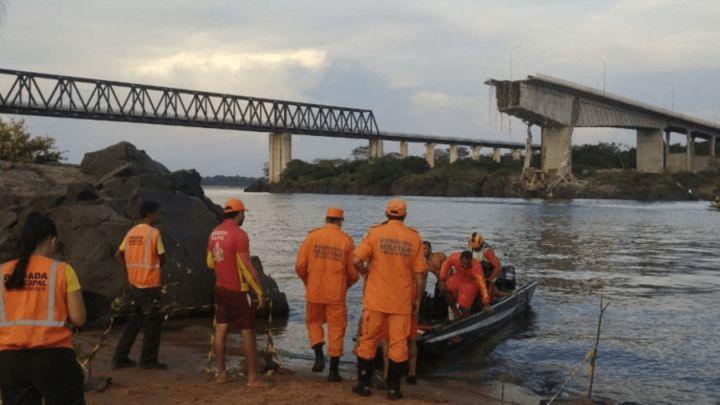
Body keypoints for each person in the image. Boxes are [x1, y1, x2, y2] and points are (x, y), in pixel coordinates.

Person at [0, 213, 87, 405]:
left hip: (10, 361)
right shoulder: (62, 270)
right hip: (54, 357)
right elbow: (79, 318)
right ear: (51, 239)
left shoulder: (2, 272)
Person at [352, 198, 425, 400]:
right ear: (405, 215)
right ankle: (394, 390)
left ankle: (364, 385)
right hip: (401, 302)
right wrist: (417, 299)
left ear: (387, 214)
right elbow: (420, 274)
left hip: (375, 300)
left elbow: (356, 259)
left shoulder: (375, 233)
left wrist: (365, 271)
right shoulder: (414, 238)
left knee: (367, 340)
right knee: (399, 344)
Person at [206, 198, 265, 387]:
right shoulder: (239, 235)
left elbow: (209, 262)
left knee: (221, 329)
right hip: (237, 290)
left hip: (219, 287)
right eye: (243, 213)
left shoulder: (214, 233)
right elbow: (246, 267)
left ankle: (222, 374)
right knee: (248, 332)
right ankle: (253, 378)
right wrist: (259, 292)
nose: (244, 216)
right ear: (239, 214)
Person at [295, 207, 359, 382]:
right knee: (336, 329)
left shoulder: (312, 237)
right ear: (340, 221)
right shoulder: (346, 240)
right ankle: (333, 372)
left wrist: (308, 282)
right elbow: (353, 273)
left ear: (326, 219)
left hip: (314, 291)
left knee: (313, 323)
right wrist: (346, 285)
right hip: (336, 294)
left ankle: (318, 355)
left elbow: (300, 266)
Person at [378, 240, 446, 387]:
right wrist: (418, 300)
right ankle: (412, 373)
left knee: (389, 339)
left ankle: (387, 373)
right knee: (411, 338)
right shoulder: (419, 263)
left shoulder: (407, 263)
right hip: (413, 299)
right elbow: (421, 281)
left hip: (401, 300)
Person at [112, 201, 167, 370]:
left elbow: (117, 254)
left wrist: (128, 271)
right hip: (149, 284)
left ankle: (120, 357)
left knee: (134, 321)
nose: (159, 216)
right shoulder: (154, 233)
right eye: (157, 213)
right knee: (153, 322)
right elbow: (162, 256)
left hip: (134, 283)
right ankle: (148, 360)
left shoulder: (131, 232)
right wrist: (157, 266)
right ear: (150, 215)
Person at [439, 250, 492, 318]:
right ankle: (455, 312)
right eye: (463, 263)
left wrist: (486, 303)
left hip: (470, 283)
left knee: (463, 306)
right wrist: (442, 279)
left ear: (471, 260)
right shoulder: (454, 257)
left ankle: (466, 317)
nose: (465, 266)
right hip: (458, 277)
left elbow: (482, 285)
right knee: (444, 289)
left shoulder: (476, 267)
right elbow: (445, 264)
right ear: (460, 259)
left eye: (467, 264)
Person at [468, 232, 511, 299]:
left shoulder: (487, 251)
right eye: (474, 248)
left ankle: (511, 295)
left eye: (476, 248)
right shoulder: (471, 246)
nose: (475, 249)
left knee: (492, 292)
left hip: (491, 272)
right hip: (479, 272)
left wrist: (490, 280)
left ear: (481, 243)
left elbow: (498, 267)